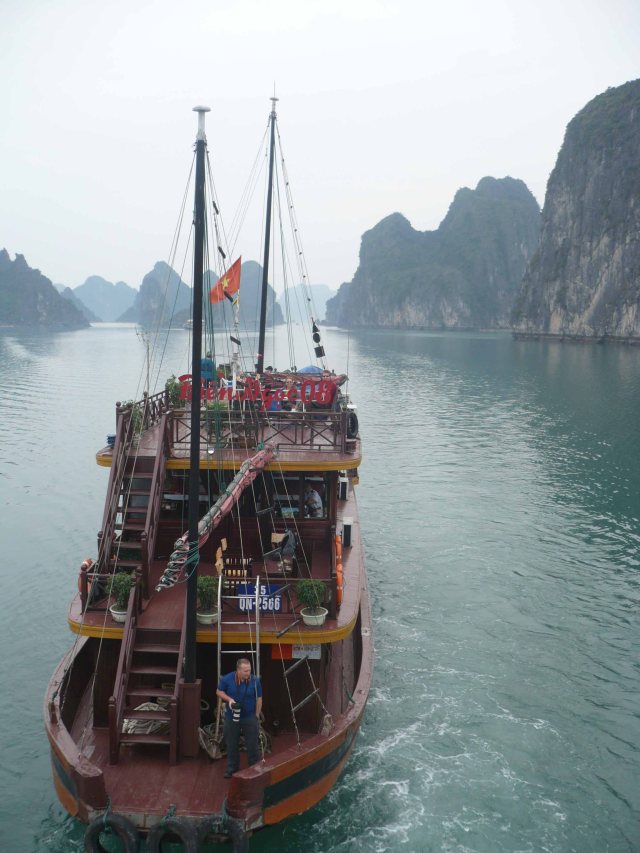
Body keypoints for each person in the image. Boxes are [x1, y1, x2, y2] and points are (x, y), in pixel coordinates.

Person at [216, 658, 262, 778]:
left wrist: (257, 715)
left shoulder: (255, 681)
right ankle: (232, 769)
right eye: (246, 671)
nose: (248, 673)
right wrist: (229, 700)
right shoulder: (227, 679)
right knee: (231, 744)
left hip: (249, 717)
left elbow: (259, 698)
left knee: (252, 745)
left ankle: (254, 768)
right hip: (231, 717)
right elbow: (219, 691)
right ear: (238, 670)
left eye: (249, 670)